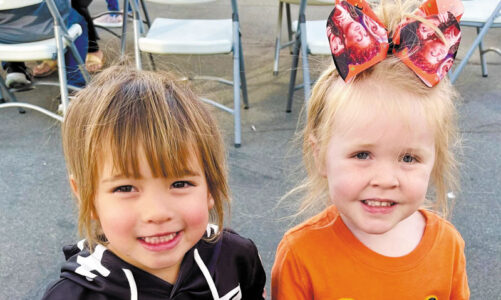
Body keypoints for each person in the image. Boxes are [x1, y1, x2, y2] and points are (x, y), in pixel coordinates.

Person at [271, 0, 469, 299]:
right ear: (320, 155)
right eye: (362, 154)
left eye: (409, 157)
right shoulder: (301, 256)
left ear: (434, 161)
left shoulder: (449, 247)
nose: (386, 179)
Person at [41, 66, 266, 299]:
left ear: (211, 185)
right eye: (125, 188)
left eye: (180, 184)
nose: (157, 213)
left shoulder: (236, 257)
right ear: (87, 197)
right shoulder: (71, 295)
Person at [0, 0, 88, 88]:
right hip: (50, 29)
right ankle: (74, 84)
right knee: (78, 21)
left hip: (5, 36)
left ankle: (15, 67)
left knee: (10, 15)